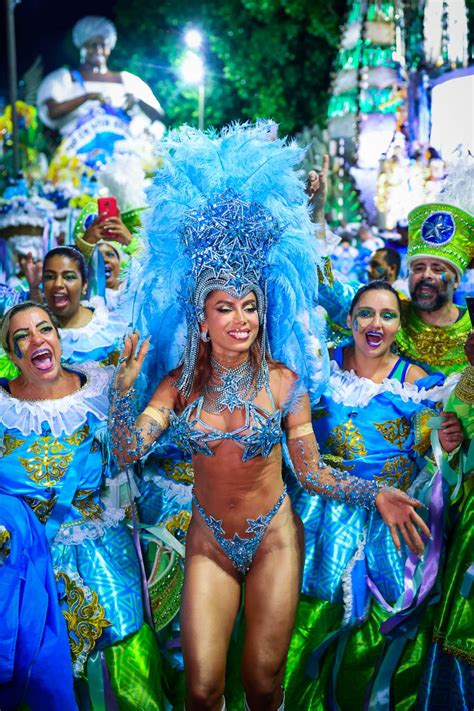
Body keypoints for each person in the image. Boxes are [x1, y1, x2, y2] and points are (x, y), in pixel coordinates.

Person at [109, 123, 430, 711]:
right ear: (201, 319)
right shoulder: (177, 386)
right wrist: (121, 396)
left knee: (262, 685)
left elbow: (310, 473)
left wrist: (377, 492)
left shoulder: (285, 381)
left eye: (250, 306)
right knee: (203, 690)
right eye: (224, 308)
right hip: (208, 541)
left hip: (274, 542)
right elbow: (128, 451)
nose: (241, 319)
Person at [282, 281, 463, 710]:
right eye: (365, 313)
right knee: (302, 622)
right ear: (349, 321)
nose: (375, 323)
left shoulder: (417, 382)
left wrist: (450, 442)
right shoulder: (318, 369)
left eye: (387, 315)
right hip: (317, 514)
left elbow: (437, 447)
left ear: (400, 326)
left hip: (387, 523)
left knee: (373, 632)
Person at [0, 301, 163, 709]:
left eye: (44, 329)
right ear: (11, 355)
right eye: (22, 336)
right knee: (38, 673)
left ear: (58, 337)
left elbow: (126, 458)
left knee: (128, 658)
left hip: (102, 549)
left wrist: (124, 395)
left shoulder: (101, 386)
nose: (36, 339)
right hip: (26, 563)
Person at [314, 160, 474, 376]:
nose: (426, 275)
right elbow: (327, 288)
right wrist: (316, 213)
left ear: (456, 280)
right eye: (418, 268)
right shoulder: (389, 311)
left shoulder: (472, 327)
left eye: (437, 268)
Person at [37, 16, 164, 138]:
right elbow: (52, 112)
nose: (99, 50)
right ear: (82, 47)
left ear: (110, 47)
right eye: (93, 45)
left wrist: (137, 100)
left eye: (103, 45)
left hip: (125, 155)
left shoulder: (128, 80)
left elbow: (158, 115)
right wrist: (88, 97)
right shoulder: (64, 78)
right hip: (77, 156)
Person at [25, 246, 127, 365]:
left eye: (69, 277)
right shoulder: (32, 333)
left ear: (84, 285)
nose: (58, 284)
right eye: (49, 277)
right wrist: (34, 288)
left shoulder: (109, 332)